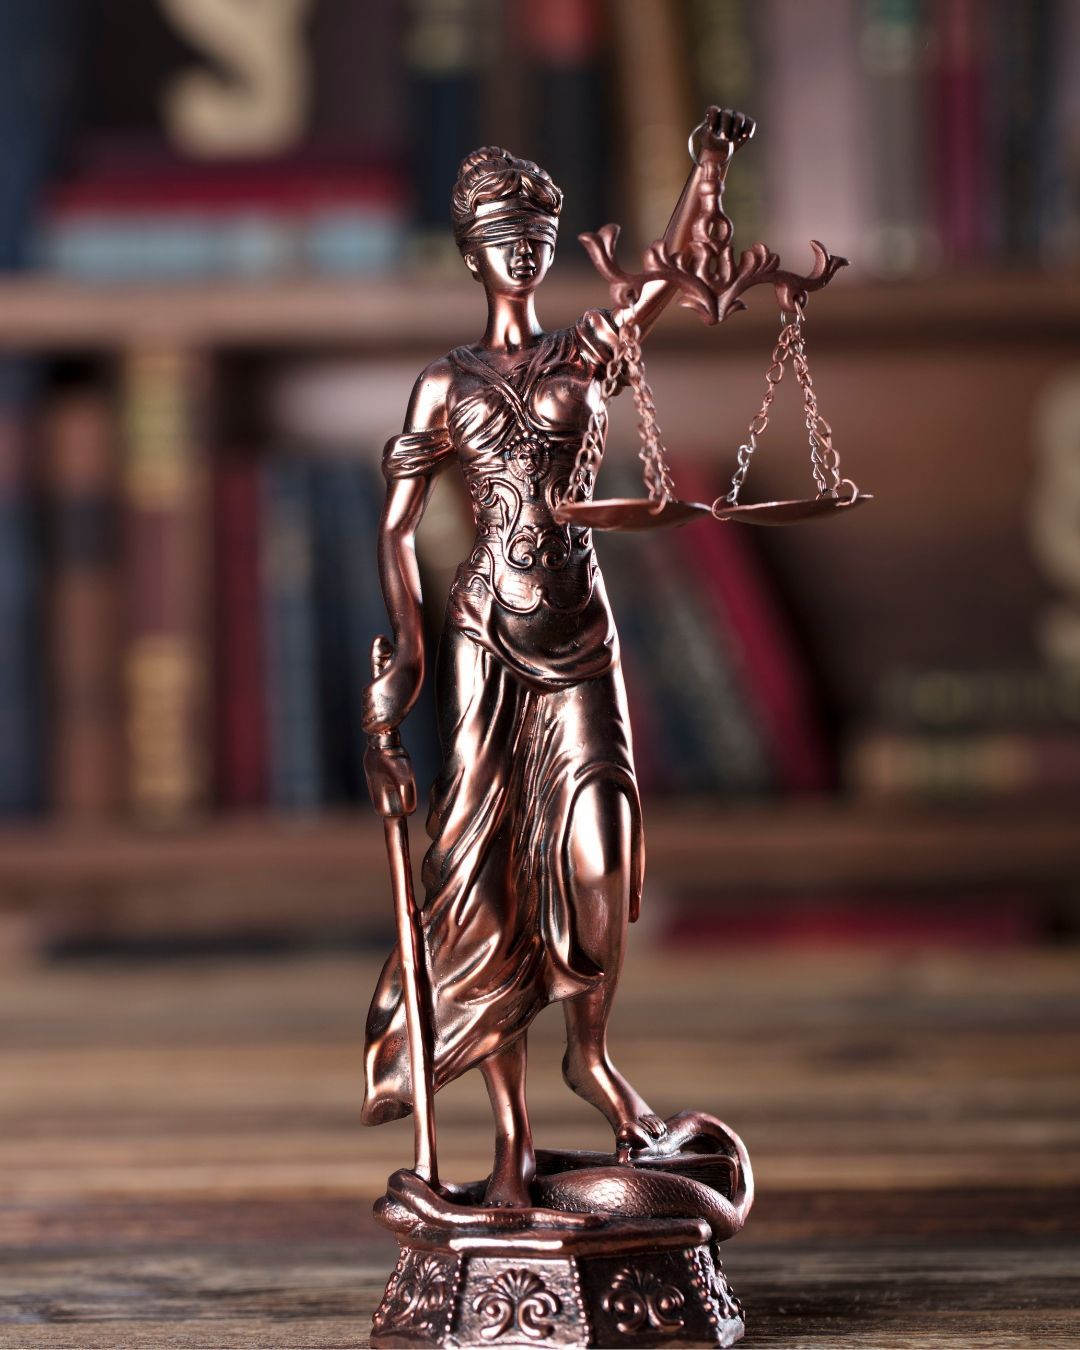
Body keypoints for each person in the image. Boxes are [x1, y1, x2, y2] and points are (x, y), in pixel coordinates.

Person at [361, 110, 754, 1208]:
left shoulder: (585, 349)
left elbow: (670, 280)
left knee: (598, 852)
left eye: (536, 229)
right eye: (500, 231)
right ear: (470, 249)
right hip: (490, 636)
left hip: (579, 632)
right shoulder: (442, 387)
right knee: (493, 885)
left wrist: (708, 168)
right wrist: (405, 659)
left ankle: (593, 1054)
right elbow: (397, 528)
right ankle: (514, 1147)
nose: (522, 248)